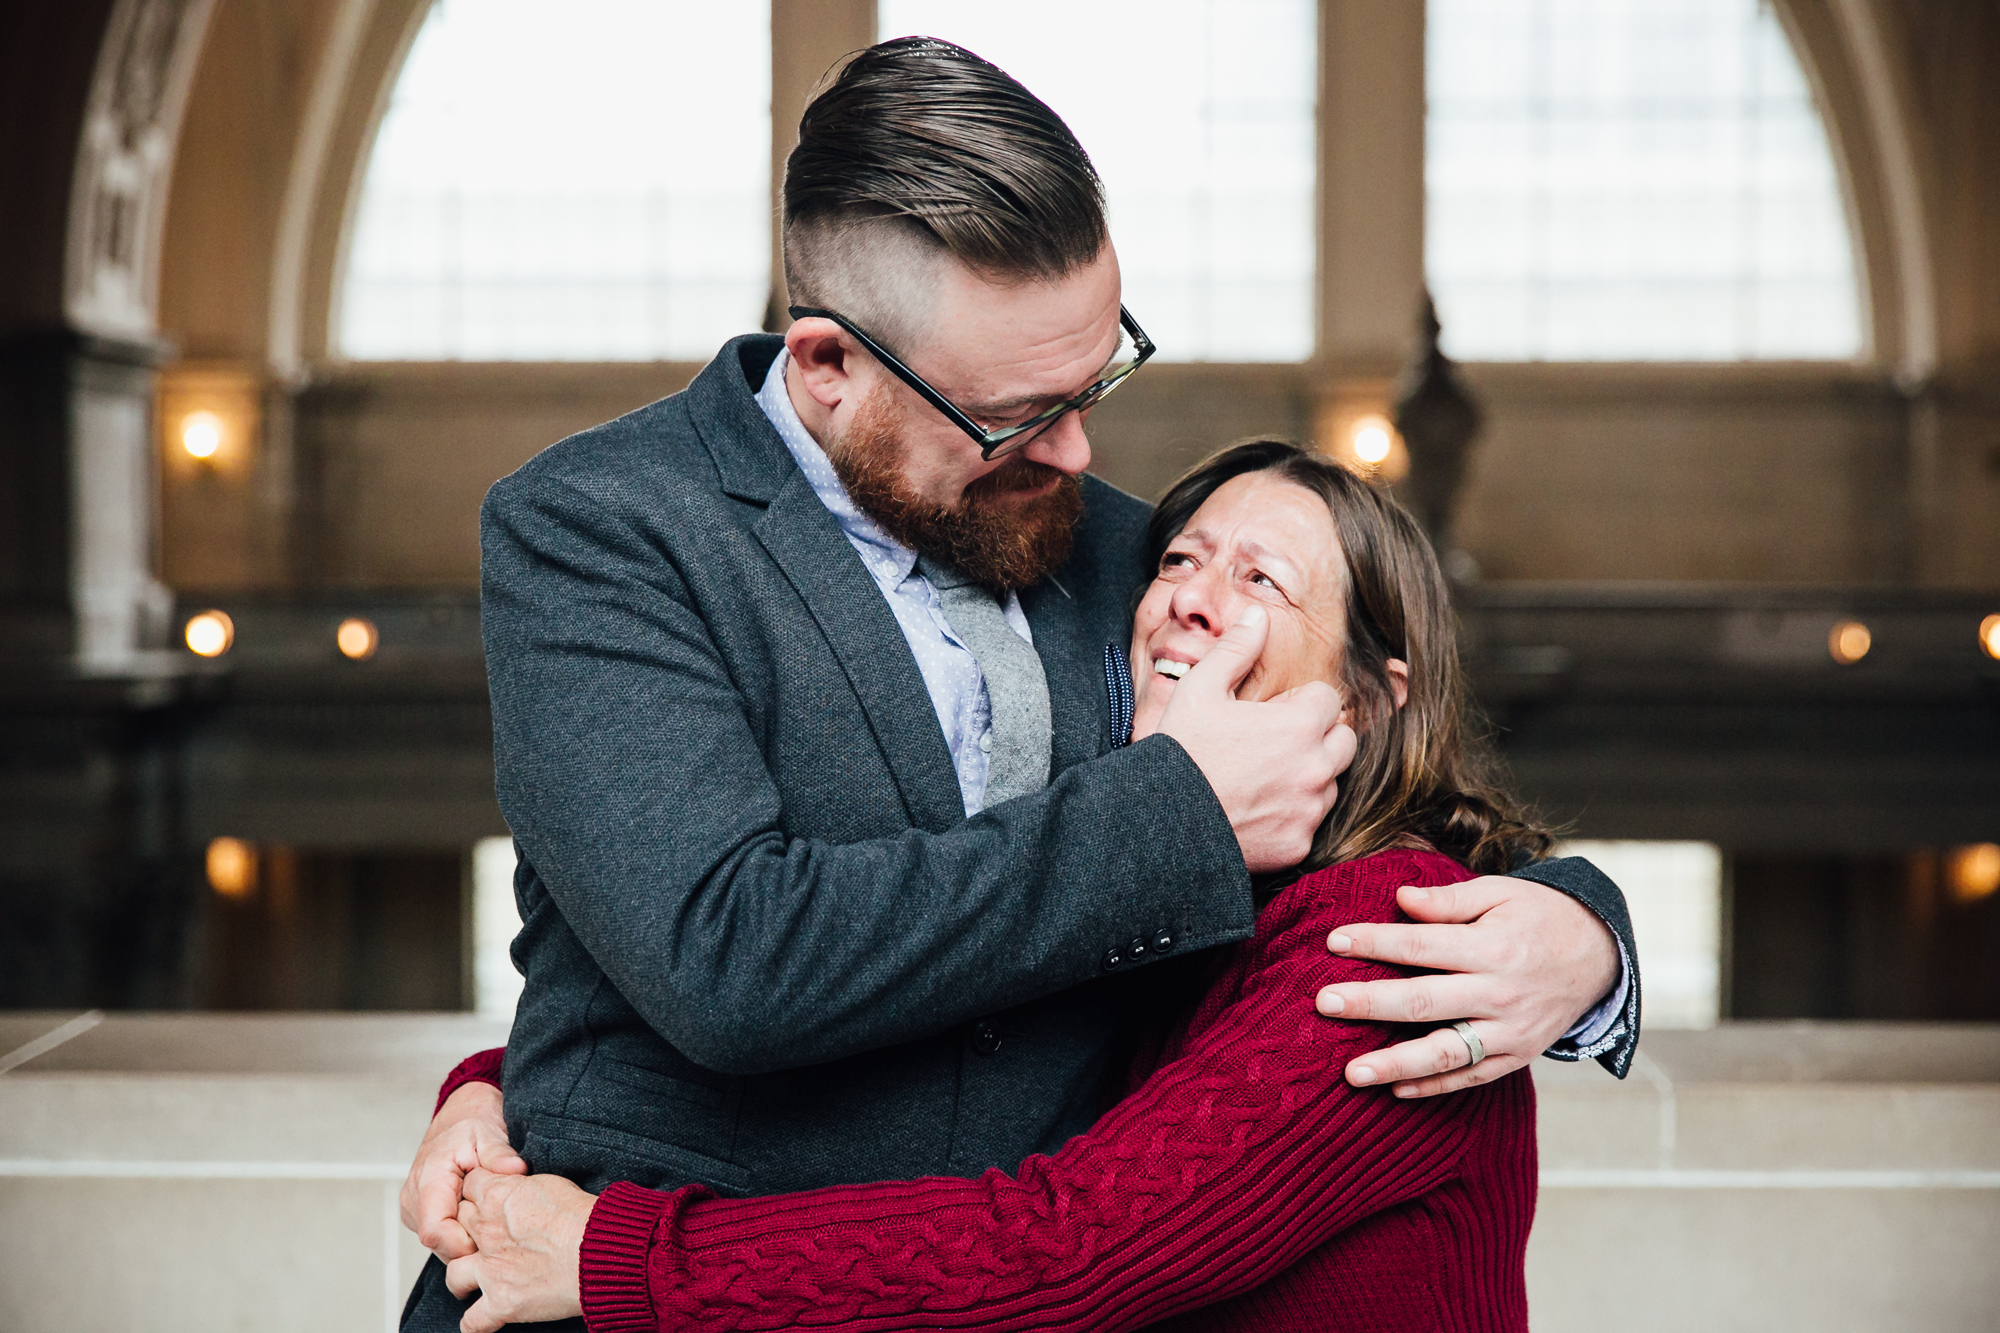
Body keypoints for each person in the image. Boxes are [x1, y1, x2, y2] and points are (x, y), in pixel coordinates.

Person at [399, 37, 1637, 1331]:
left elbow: (1369, 818)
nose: (1080, 449)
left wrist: (1585, 937)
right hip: (605, 1289)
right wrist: (501, 1082)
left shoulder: (1128, 553)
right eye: (1014, 414)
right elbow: (718, 958)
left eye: (1099, 376)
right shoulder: (596, 526)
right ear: (829, 365)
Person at [438, 439, 1557, 1331]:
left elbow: (1062, 1253)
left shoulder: (1380, 933)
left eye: (1259, 578)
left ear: (1368, 695)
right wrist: (499, 1090)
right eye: (1177, 560)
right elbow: (961, 977)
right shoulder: (1185, 889)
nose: (1192, 601)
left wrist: (613, 1260)